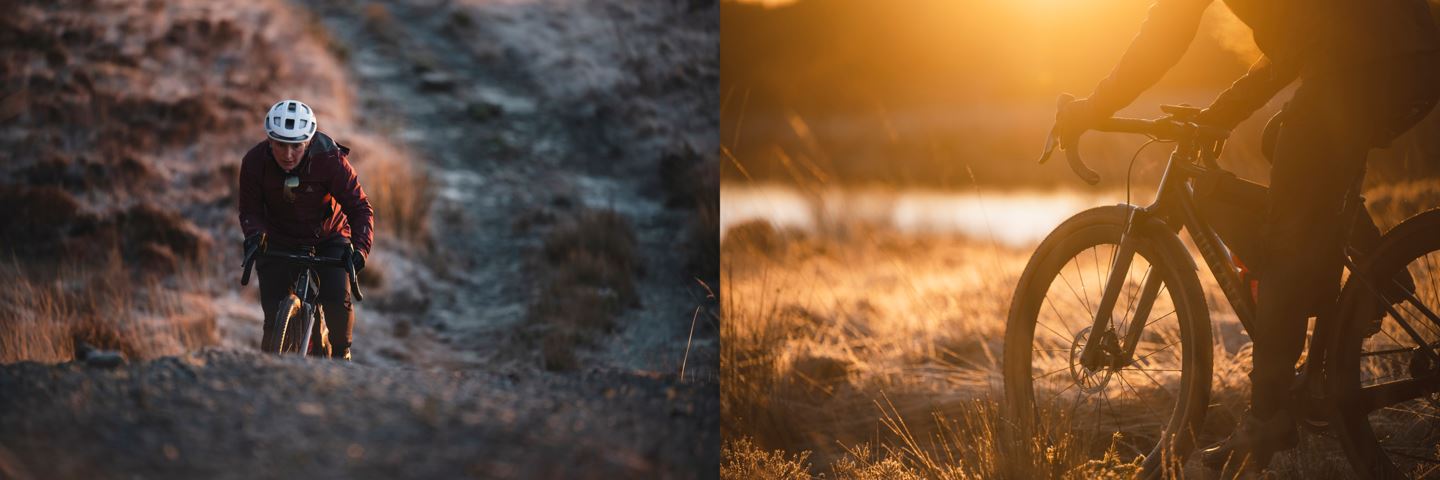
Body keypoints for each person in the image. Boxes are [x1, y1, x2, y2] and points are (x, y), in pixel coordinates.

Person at [1056, 0, 1440, 472]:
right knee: (1282, 141)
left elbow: (1165, 35)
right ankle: (1376, 268)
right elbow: (1300, 42)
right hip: (1413, 58)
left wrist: (1090, 108)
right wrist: (1224, 112)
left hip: (1359, 65)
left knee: (1284, 240)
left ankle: (1267, 416)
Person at [238, 99, 373, 361]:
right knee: (273, 319)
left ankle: (341, 356)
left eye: (296, 146)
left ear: (308, 142)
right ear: (269, 140)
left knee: (336, 299)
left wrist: (360, 249)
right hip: (278, 238)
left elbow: (360, 208)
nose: (288, 154)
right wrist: (254, 234)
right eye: (280, 145)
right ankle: (271, 372)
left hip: (328, 236)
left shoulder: (330, 160)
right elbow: (250, 210)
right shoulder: (254, 162)